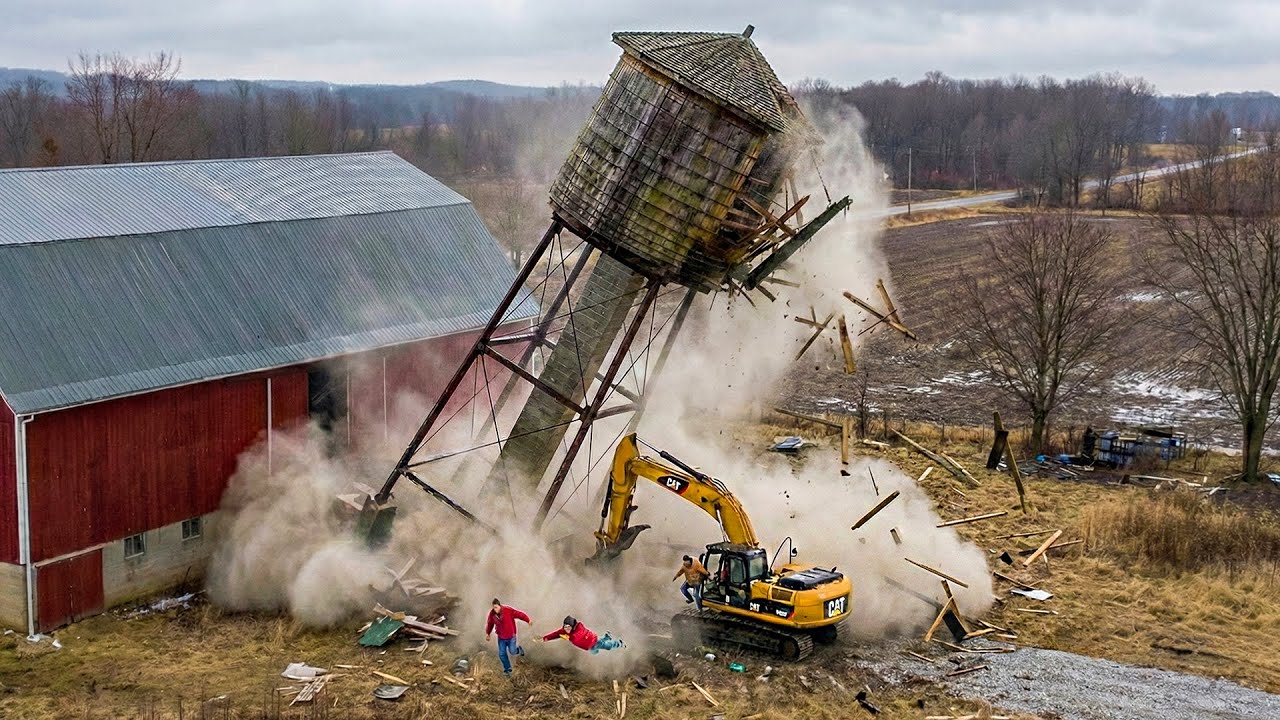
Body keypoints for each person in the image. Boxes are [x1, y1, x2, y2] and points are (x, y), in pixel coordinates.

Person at [484, 598, 531, 676]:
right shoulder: (492, 614)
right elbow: (490, 624)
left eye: (496, 607)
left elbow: (519, 614)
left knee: (512, 651)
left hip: (511, 636)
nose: (495, 609)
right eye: (494, 608)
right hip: (501, 637)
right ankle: (507, 669)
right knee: (502, 654)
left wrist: (527, 620)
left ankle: (518, 649)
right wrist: (488, 633)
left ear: (500, 606)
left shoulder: (507, 610)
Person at [536, 615, 624, 654]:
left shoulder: (579, 628)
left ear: (573, 626)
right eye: (565, 627)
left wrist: (569, 637)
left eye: (568, 627)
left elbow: (578, 636)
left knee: (607, 647)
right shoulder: (565, 631)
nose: (566, 629)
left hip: (593, 641)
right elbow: (555, 634)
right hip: (588, 646)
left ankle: (619, 644)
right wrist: (544, 639)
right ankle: (606, 637)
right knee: (594, 652)